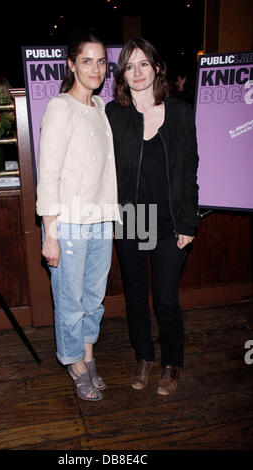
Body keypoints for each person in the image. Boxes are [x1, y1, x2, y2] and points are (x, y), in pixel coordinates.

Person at [106, 37, 199, 395]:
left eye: (143, 63)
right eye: (129, 66)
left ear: (157, 67)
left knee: (165, 298)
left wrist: (188, 222)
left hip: (169, 221)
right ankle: (143, 356)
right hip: (131, 219)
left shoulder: (179, 112)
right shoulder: (114, 115)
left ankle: (172, 362)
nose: (137, 72)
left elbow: (189, 168)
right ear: (123, 76)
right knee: (135, 295)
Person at [36, 30, 118, 401]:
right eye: (87, 60)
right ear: (71, 64)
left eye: (101, 61)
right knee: (69, 300)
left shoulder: (101, 108)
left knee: (93, 298)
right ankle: (74, 362)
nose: (96, 68)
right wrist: (49, 233)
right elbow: (48, 172)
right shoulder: (60, 107)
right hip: (68, 223)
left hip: (101, 219)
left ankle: (88, 352)